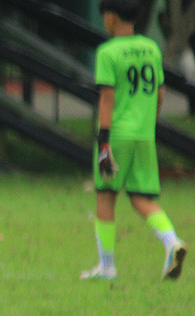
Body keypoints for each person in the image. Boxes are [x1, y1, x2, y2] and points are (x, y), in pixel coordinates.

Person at [81, 0, 187, 281]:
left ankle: (106, 266)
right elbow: (160, 93)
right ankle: (172, 242)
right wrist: (148, 122)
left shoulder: (108, 51)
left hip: (117, 133)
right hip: (143, 133)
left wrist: (103, 140)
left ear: (111, 17)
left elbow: (107, 96)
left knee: (105, 195)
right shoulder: (151, 47)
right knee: (141, 197)